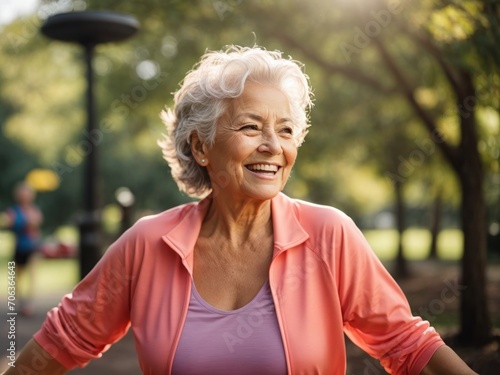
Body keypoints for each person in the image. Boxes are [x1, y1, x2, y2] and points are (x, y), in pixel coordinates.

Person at [3, 46, 477, 375]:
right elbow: (61, 342)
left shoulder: (329, 233)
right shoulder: (147, 246)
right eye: (251, 126)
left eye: (286, 131)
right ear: (201, 146)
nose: (273, 146)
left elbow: (407, 345)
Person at [2, 182, 43, 316]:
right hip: (20, 246)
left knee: (31, 274)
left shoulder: (34, 210)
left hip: (32, 246)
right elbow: (11, 224)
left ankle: (29, 303)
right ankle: (21, 302)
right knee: (18, 276)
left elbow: (37, 225)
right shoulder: (14, 211)